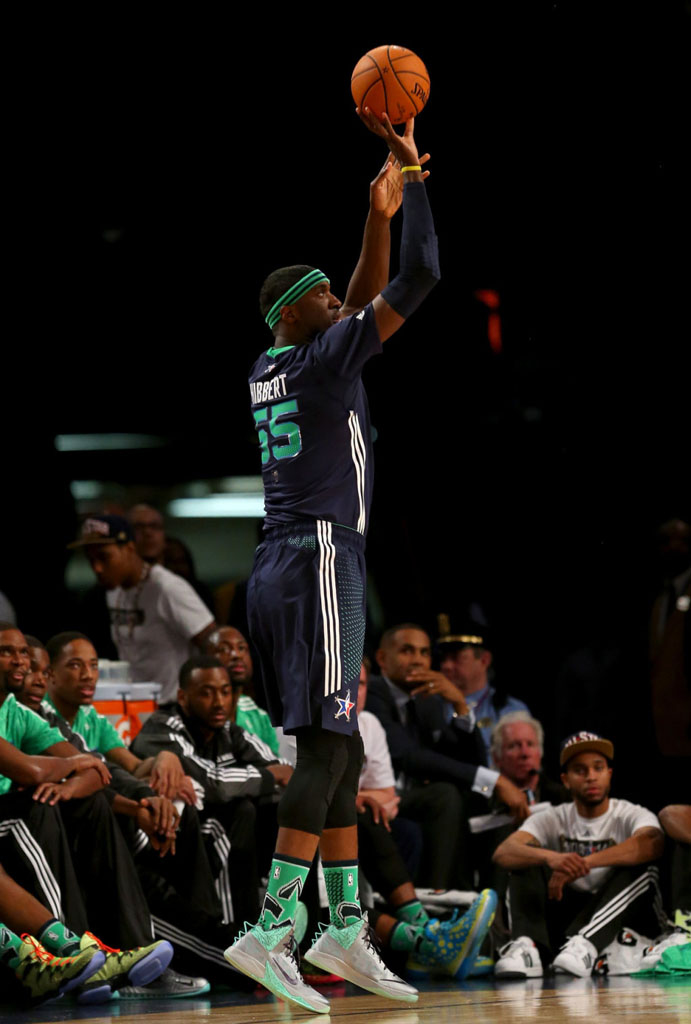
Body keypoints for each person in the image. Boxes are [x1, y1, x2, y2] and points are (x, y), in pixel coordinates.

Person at [224, 110, 442, 1014]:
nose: (343, 307)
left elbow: (356, 289)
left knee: (341, 748)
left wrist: (374, 212)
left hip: (284, 562)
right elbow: (419, 278)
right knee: (322, 750)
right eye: (325, 302)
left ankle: (343, 926)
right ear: (294, 314)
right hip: (318, 557)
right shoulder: (320, 364)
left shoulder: (273, 366)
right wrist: (413, 184)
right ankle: (272, 928)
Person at [493, 731, 665, 979]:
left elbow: (652, 843)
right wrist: (551, 858)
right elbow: (504, 852)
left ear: (610, 774)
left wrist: (584, 862)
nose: (591, 777)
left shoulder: (628, 813)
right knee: (524, 858)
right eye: (580, 770)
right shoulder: (553, 816)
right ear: (565, 779)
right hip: (565, 913)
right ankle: (527, 948)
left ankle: (586, 943)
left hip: (613, 912)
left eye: (598, 768)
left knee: (643, 868)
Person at [68, 514, 217, 705]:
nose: (97, 568)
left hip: (173, 707)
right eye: (91, 560)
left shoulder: (167, 588)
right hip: (135, 706)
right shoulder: (114, 589)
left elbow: (215, 642)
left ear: (129, 549)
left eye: (104, 557)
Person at [436, 619, 530, 756]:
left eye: (456, 658)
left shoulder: (509, 709)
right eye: (443, 659)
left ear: (484, 660)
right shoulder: (430, 704)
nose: (446, 666)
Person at [205, 625, 279, 754]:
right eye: (224, 649)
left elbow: (278, 768)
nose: (236, 655)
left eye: (241, 648)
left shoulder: (259, 716)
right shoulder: (198, 714)